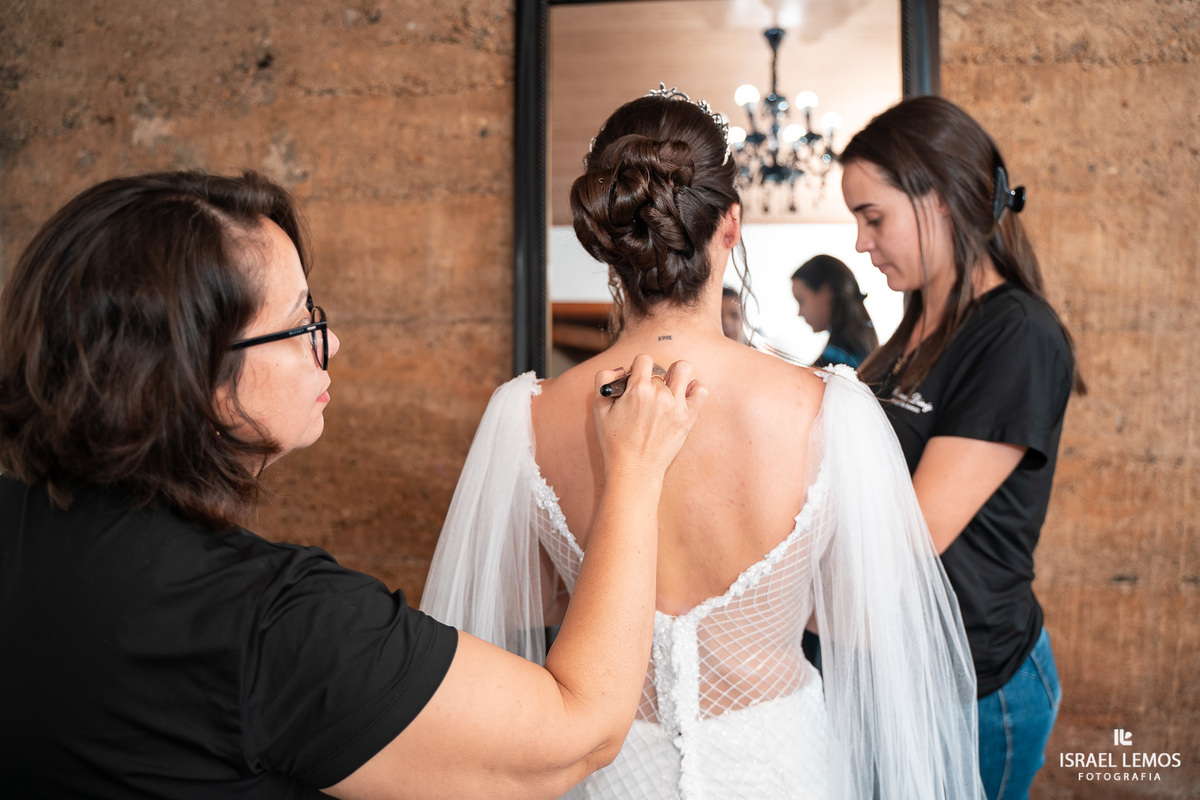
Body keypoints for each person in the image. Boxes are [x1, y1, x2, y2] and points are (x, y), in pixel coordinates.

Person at [0, 170, 706, 798]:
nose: (329, 343)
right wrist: (636, 472)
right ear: (200, 379)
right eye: (299, 320)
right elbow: (579, 731)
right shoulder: (282, 626)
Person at [422, 87, 985, 799]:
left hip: (612, 765)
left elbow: (520, 602)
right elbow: (868, 620)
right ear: (730, 225)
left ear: (610, 236)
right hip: (785, 765)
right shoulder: (827, 409)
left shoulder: (526, 416)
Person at [840, 95, 1086, 800]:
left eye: (873, 217)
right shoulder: (913, 328)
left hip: (979, 685)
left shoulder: (1017, 334)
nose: (862, 243)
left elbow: (911, 533)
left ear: (940, 202)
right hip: (900, 676)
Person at [791, 254, 878, 368]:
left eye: (801, 301)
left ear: (826, 293)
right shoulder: (859, 342)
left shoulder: (841, 355)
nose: (799, 313)